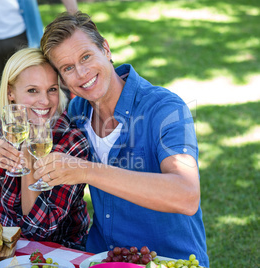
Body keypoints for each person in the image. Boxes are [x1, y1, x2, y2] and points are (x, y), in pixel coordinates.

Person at [35, 12, 210, 266]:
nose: (82, 73)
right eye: (68, 68)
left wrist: (86, 171)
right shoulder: (77, 114)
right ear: (62, 79)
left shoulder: (164, 108)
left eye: (86, 56)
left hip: (168, 260)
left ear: (105, 49)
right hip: (100, 258)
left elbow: (186, 194)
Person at [0, 48, 90, 249]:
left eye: (52, 89)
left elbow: (40, 229)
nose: (45, 101)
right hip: (2, 236)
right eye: (32, 90)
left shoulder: (71, 139)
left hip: (59, 248)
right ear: (10, 93)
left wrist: (27, 153)